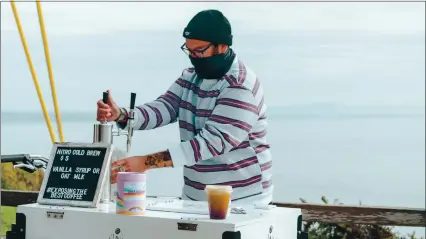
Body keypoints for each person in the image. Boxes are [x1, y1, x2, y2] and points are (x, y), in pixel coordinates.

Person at [96, 9, 272, 205]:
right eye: (189, 50)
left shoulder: (239, 86)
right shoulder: (191, 77)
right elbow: (164, 108)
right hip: (195, 197)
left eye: (199, 51)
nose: (193, 57)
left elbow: (209, 144)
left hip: (242, 199)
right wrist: (121, 115)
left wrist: (145, 163)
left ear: (222, 47)